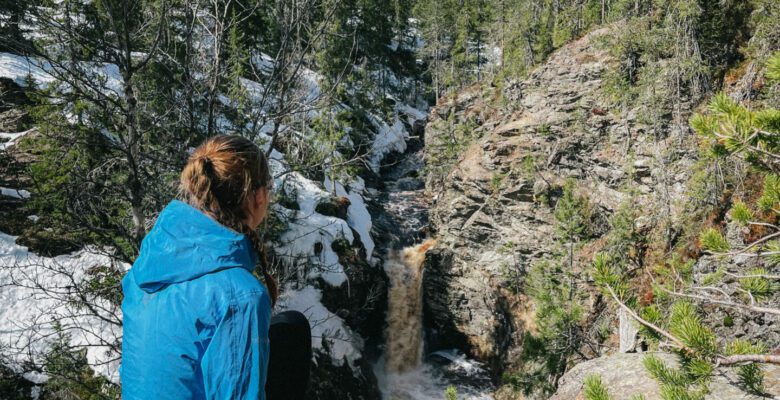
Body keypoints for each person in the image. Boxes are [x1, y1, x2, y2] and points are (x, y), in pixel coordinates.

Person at [121, 135, 311, 399]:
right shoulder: (239, 295)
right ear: (258, 196)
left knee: (286, 329)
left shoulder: (145, 271)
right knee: (293, 331)